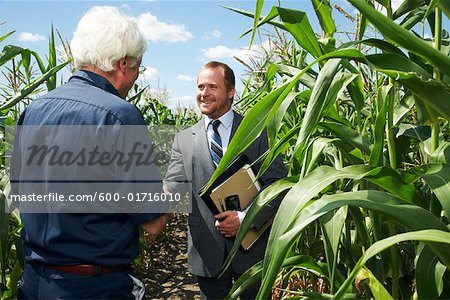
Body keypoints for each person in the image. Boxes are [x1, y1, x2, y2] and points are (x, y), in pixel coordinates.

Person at [11, 6, 168, 299]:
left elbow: (20, 193)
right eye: (137, 69)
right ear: (123, 64)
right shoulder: (120, 116)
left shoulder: (32, 111)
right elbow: (153, 223)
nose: (135, 78)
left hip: (32, 283)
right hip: (92, 287)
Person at [164, 61, 286, 299]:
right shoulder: (183, 140)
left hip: (253, 251)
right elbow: (174, 187)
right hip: (207, 252)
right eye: (200, 87)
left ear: (230, 91)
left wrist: (245, 218)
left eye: (212, 87)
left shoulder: (258, 132)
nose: (203, 94)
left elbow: (279, 185)